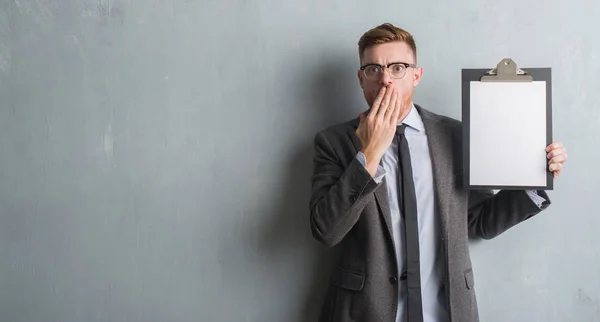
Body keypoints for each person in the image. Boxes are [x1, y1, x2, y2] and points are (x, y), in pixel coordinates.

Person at [308, 23, 568, 322]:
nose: (385, 81)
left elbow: (478, 222)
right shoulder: (333, 142)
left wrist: (535, 178)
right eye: (373, 69)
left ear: (416, 75)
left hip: (447, 312)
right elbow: (326, 230)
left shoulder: (456, 136)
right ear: (360, 78)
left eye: (397, 68)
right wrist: (369, 154)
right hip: (365, 312)